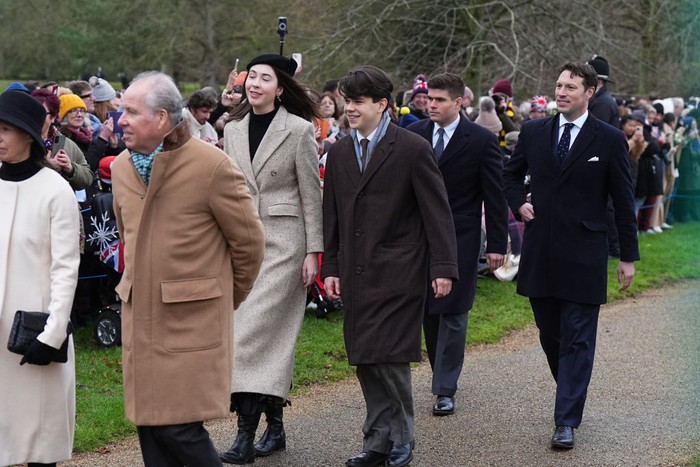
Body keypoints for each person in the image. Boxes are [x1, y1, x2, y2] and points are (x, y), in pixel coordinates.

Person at [111, 71, 265, 466]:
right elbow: (129, 237)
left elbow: (249, 244)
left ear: (162, 118)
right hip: (140, 321)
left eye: (130, 111)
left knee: (178, 427)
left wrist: (219, 300)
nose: (120, 120)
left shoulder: (211, 166)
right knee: (150, 426)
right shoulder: (122, 169)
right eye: (120, 110)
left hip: (190, 325)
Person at [322, 65, 458, 467]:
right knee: (365, 357)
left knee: (392, 358)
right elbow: (332, 215)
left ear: (382, 104)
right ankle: (376, 441)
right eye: (347, 100)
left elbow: (437, 212)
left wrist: (444, 268)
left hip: (401, 271)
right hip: (355, 271)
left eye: (358, 101)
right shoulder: (340, 150)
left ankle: (402, 439)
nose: (350, 108)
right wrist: (331, 265)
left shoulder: (413, 148)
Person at [503, 62, 639, 450]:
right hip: (541, 252)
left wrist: (627, 256)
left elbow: (624, 201)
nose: (561, 92)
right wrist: (518, 205)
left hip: (585, 254)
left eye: (570, 87)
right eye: (559, 85)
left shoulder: (610, 139)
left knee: (578, 338)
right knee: (552, 335)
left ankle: (566, 420)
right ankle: (571, 390)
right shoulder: (533, 132)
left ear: (589, 92)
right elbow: (509, 175)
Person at [220, 54, 323, 464]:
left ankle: (245, 435)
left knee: (248, 337)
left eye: (266, 79)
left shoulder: (298, 130)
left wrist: (314, 251)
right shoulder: (232, 129)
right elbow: (227, 187)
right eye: (252, 78)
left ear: (281, 89)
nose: (256, 84)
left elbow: (311, 194)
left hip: (285, 244)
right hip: (243, 245)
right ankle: (275, 426)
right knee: (264, 341)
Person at [406, 72, 508, 416]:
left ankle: (445, 388)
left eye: (438, 100)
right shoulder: (414, 134)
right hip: (418, 237)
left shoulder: (481, 140)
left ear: (458, 102)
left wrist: (496, 244)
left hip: (461, 235)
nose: (430, 104)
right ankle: (441, 375)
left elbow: (495, 196)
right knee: (429, 311)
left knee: (453, 309)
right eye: (429, 99)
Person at [0, 90, 80, 467]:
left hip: (35, 334)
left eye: (5, 129)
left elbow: (66, 269)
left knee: (40, 440)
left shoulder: (55, 190)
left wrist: (53, 334)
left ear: (28, 136)